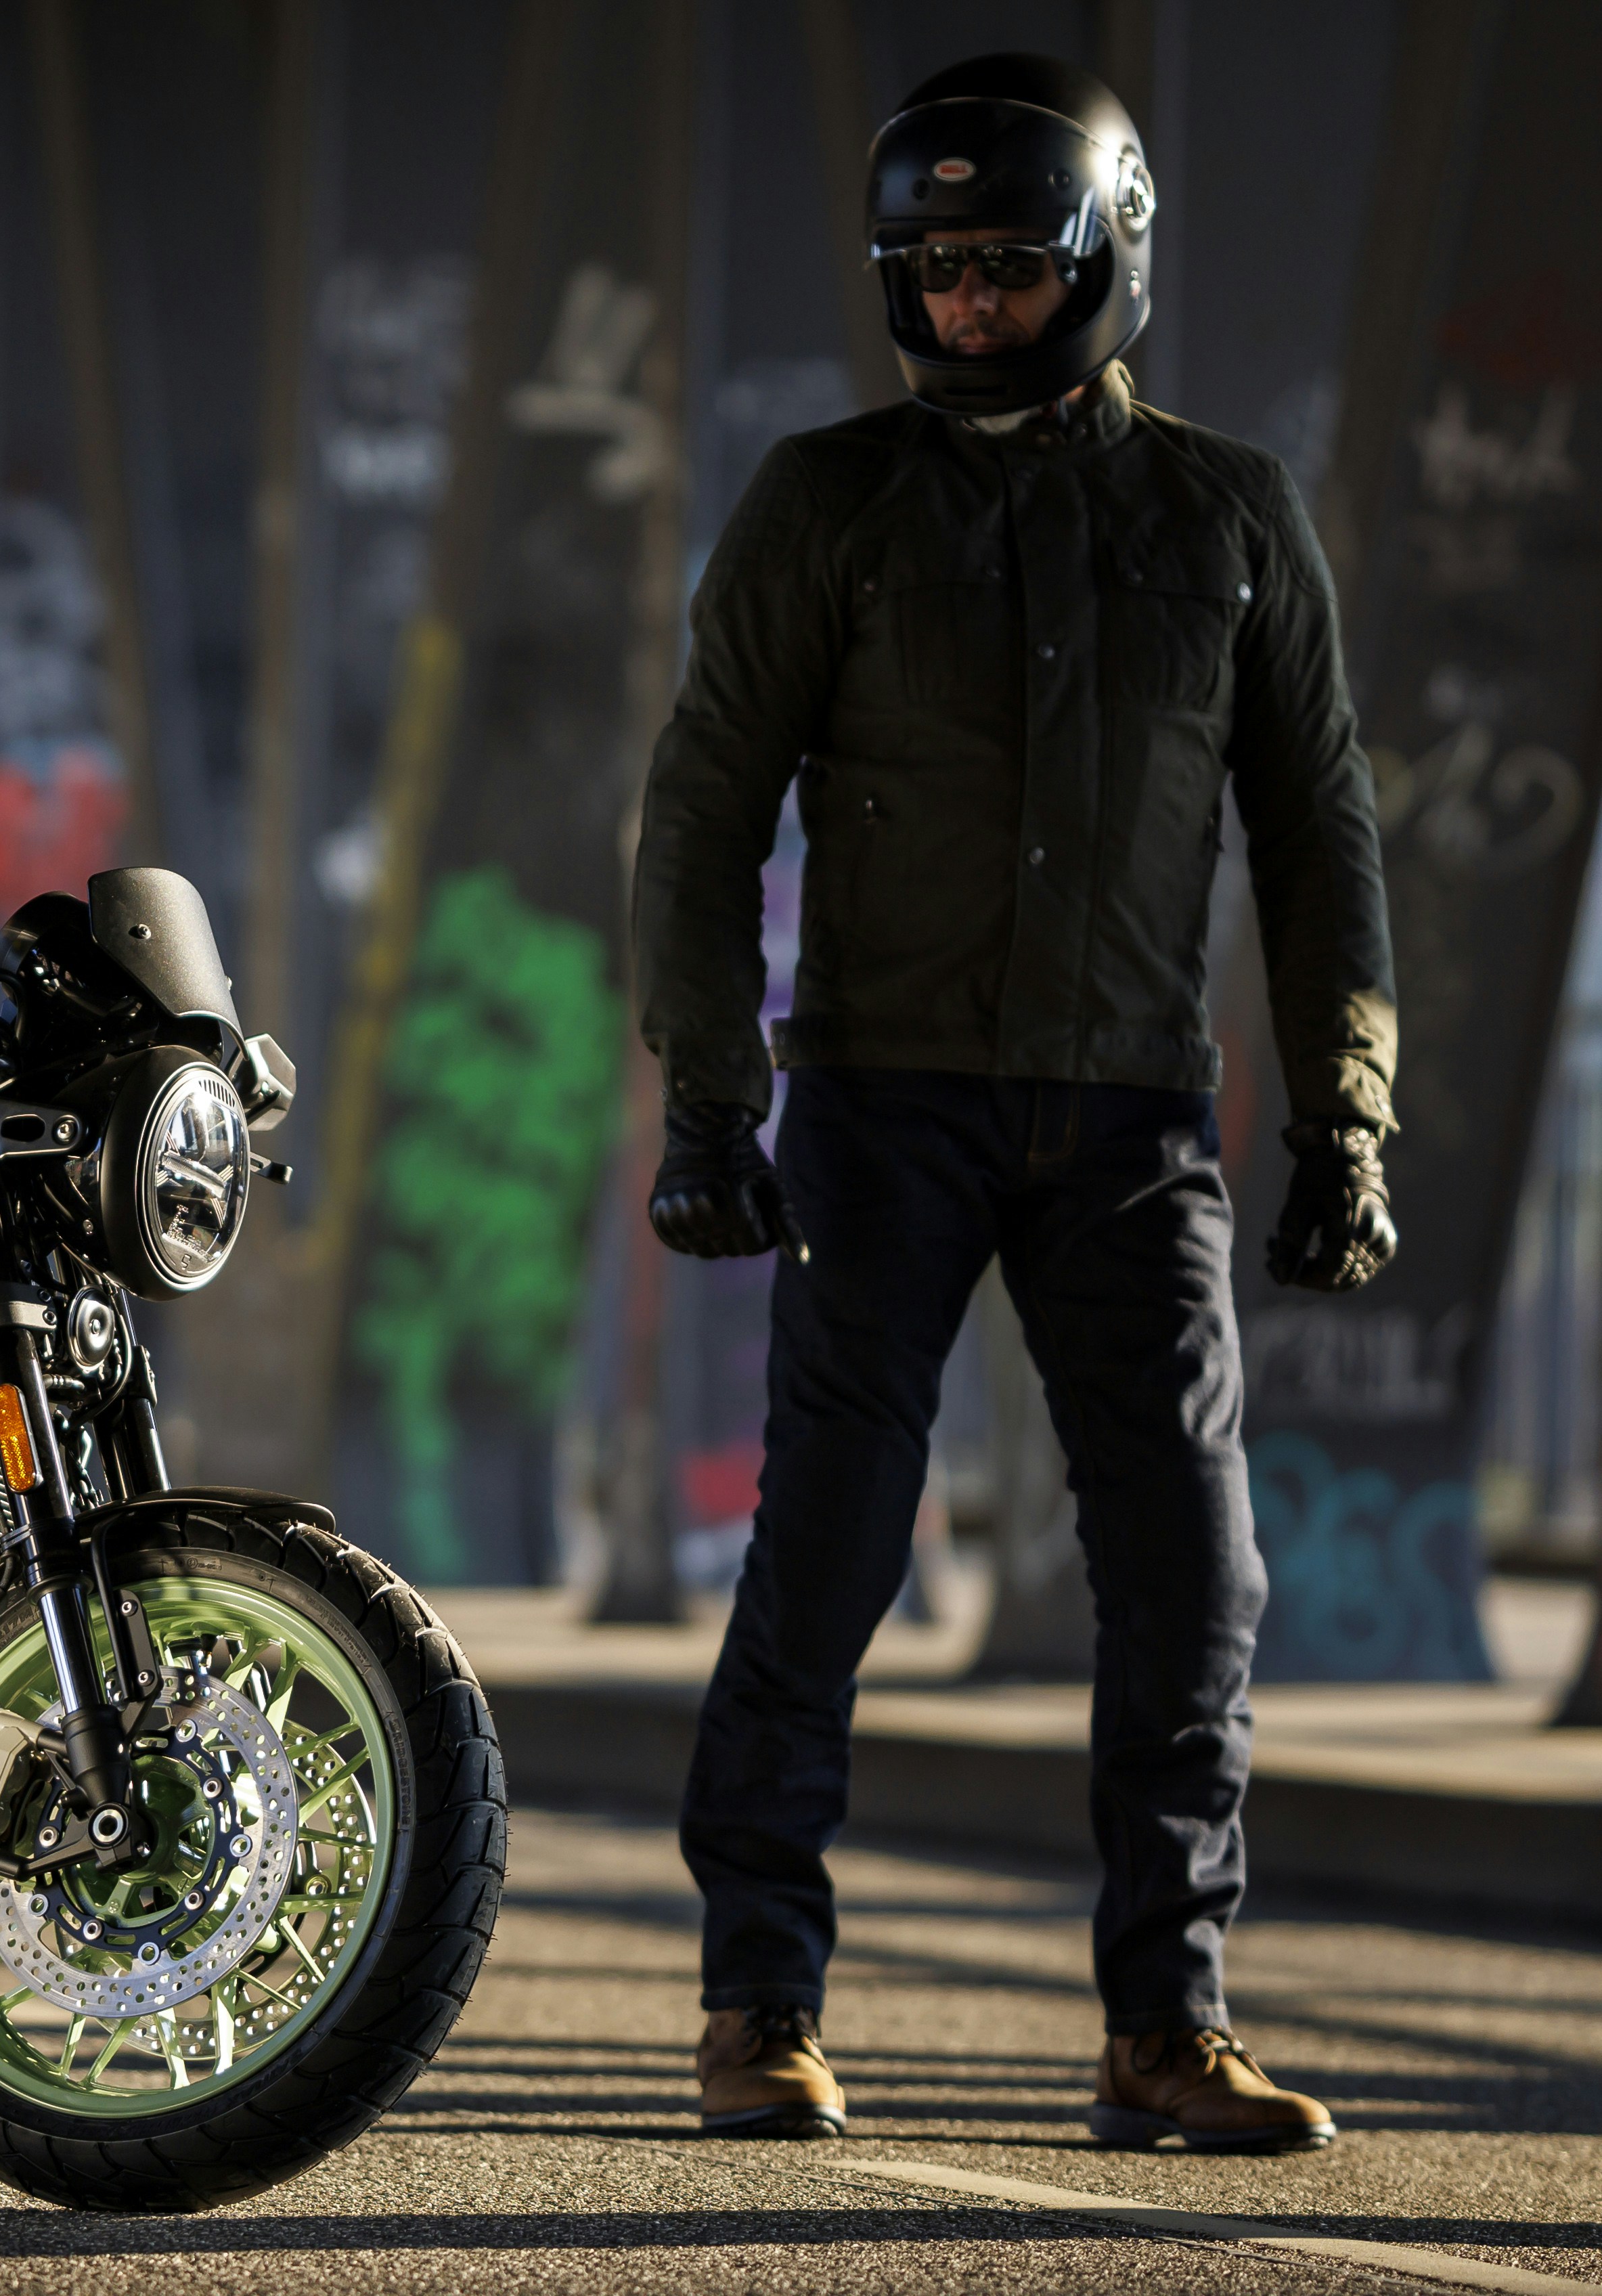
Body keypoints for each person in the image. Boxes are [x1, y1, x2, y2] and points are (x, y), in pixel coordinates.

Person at [629, 52, 1396, 2152]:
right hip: (877, 1111)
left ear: (1110, 252)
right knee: (831, 1558)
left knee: (1192, 1578)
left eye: (1009, 263)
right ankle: (755, 2007)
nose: (967, 303)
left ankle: (1170, 2033)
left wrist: (1349, 1117)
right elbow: (702, 816)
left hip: (1134, 1121)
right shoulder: (827, 498)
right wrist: (709, 1103)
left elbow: (1321, 833)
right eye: (932, 267)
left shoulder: (1229, 517)